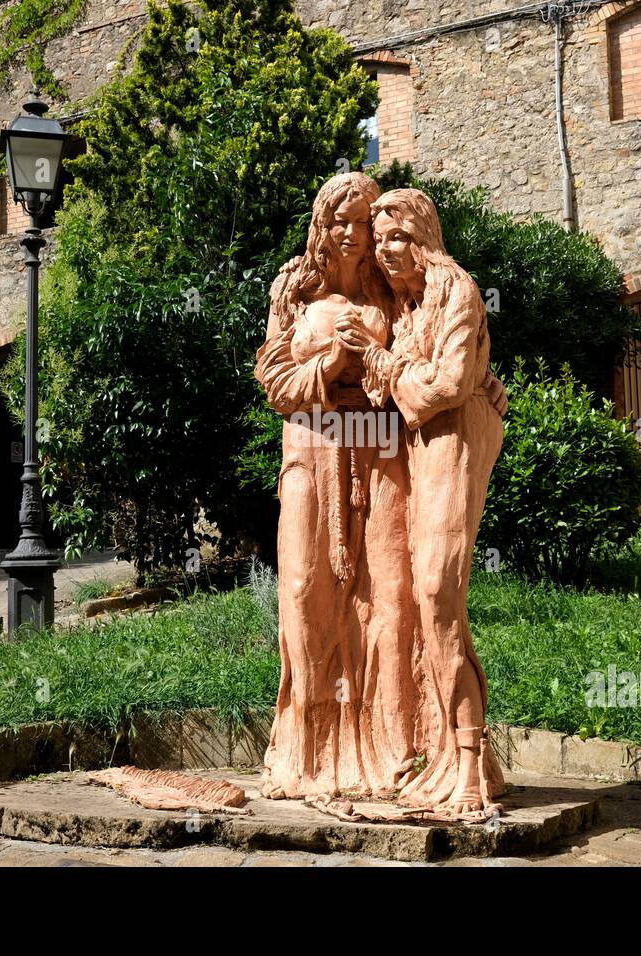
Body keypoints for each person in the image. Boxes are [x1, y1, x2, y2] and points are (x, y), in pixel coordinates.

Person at [336, 187, 506, 817]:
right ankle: (464, 755)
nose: (385, 252)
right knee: (426, 600)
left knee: (437, 590)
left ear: (423, 236)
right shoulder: (408, 307)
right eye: (379, 244)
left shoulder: (456, 289)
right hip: (423, 449)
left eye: (397, 238)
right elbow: (415, 387)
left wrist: (382, 362)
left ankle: (467, 764)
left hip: (453, 445)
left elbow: (447, 384)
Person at [254, 173, 418, 799]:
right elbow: (275, 383)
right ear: (323, 221)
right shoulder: (294, 289)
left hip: (377, 451)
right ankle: (305, 751)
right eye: (341, 220)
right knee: (303, 588)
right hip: (312, 446)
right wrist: (330, 364)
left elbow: (419, 368)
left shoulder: (392, 292)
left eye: (364, 220)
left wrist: (376, 369)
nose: (353, 233)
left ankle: (388, 745)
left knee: (385, 598)